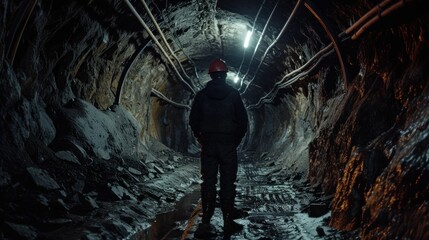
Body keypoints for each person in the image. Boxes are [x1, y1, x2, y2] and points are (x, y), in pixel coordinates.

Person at [189, 58, 248, 237]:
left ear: (211, 75)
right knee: (228, 183)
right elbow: (243, 122)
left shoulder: (200, 95)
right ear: (224, 75)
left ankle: (205, 223)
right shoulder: (234, 94)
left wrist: (202, 138)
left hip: (208, 144)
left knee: (208, 182)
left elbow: (193, 121)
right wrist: (234, 140)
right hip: (228, 144)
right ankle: (228, 222)